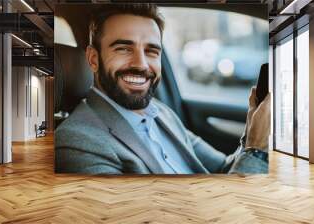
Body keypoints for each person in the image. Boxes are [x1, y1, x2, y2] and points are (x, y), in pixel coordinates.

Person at [55, 4, 271, 174]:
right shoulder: (76, 142)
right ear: (93, 59)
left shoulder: (160, 111)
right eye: (123, 48)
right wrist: (256, 150)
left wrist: (252, 135)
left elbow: (223, 168)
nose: (140, 64)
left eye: (151, 51)